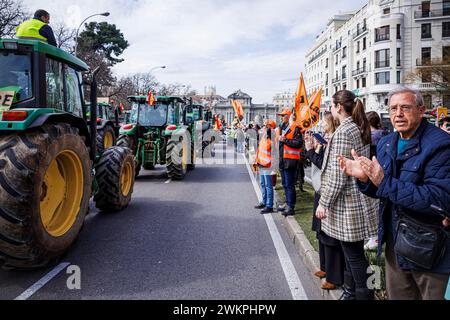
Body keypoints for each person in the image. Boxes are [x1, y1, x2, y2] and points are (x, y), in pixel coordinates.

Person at [338, 87, 450, 300]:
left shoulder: (441, 144)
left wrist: (382, 181)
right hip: (394, 244)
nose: (398, 114)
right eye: (393, 108)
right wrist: (364, 178)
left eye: (405, 108)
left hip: (429, 248)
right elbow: (383, 190)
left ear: (421, 110)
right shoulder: (386, 142)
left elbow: (439, 199)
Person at [316, 90, 378, 300]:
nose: (331, 110)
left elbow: (338, 173)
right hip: (356, 200)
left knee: (355, 257)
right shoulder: (358, 126)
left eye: (332, 106)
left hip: (348, 204)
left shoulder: (344, 131)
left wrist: (324, 203)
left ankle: (364, 295)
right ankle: (352, 293)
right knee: (354, 255)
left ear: (339, 107)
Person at [305, 111, 345, 290]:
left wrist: (310, 150)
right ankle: (324, 267)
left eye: (324, 123)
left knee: (329, 237)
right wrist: (313, 148)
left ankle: (334, 276)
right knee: (320, 233)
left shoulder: (334, 141)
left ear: (331, 123)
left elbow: (323, 164)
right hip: (319, 189)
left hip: (327, 191)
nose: (321, 126)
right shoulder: (325, 140)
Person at [364, 111, 388, 251]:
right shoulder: (385, 134)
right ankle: (376, 236)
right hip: (383, 173)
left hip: (373, 174)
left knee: (372, 208)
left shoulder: (371, 138)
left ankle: (375, 237)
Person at [276, 108, 303, 217]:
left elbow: (299, 143)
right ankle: (287, 203)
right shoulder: (281, 128)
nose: (281, 117)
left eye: (283, 115)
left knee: (290, 185)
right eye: (281, 116)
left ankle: (291, 207)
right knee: (285, 184)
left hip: (291, 161)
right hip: (283, 161)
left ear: (288, 116)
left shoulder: (295, 128)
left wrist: (284, 140)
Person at [254, 119, 277, 214]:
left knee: (268, 186)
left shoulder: (272, 139)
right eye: (263, 125)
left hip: (268, 166)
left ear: (270, 127)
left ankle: (269, 205)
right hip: (261, 164)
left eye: (265, 126)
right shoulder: (264, 136)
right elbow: (260, 149)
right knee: (263, 184)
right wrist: (256, 161)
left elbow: (274, 153)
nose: (263, 127)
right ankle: (264, 202)